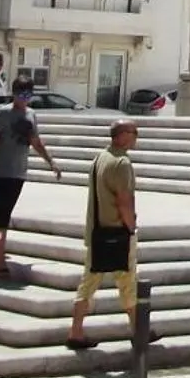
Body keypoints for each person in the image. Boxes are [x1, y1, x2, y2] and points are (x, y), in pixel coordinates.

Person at [67, 120, 141, 351]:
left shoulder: (100, 158)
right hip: (117, 232)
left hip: (98, 232)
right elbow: (124, 200)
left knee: (88, 283)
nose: (137, 136)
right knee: (128, 282)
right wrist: (131, 227)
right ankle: (139, 331)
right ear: (122, 135)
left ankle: (76, 331)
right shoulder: (121, 163)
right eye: (134, 132)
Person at [0, 82, 60, 277]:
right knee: (2, 216)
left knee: (2, 213)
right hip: (1, 172)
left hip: (19, 171)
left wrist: (50, 162)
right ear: (13, 94)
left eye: (28, 94)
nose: (25, 97)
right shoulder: (3, 113)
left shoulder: (31, 114)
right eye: (21, 94)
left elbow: (35, 141)